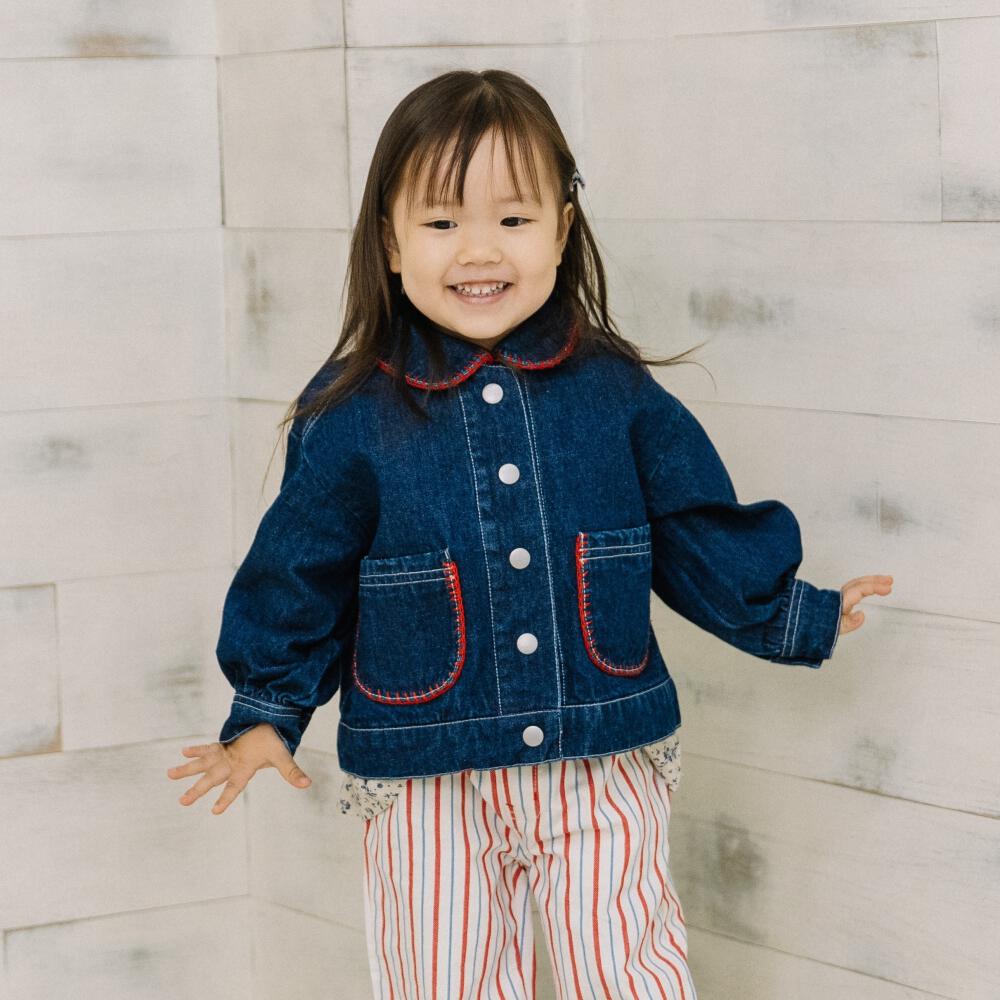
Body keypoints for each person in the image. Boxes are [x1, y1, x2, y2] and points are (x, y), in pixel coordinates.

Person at [166, 68, 893, 999]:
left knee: (631, 972)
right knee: (443, 979)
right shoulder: (351, 413)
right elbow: (300, 569)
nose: (480, 249)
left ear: (561, 229)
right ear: (390, 243)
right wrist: (268, 711)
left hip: (601, 758)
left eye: (513, 218)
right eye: (442, 222)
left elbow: (690, 525)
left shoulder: (615, 391)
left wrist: (793, 612)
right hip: (425, 778)